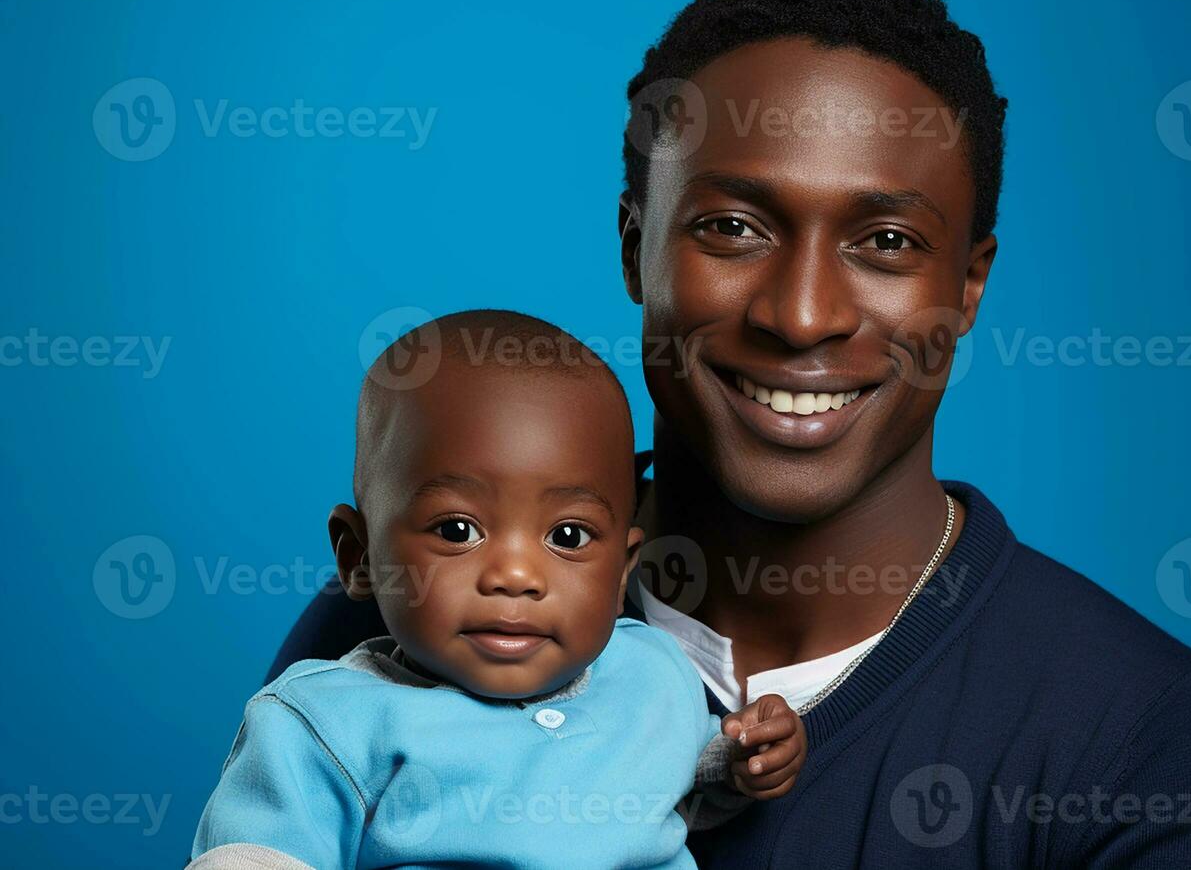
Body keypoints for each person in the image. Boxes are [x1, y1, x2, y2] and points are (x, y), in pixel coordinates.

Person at [274, 0, 1191, 867]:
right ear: (634, 243)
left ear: (969, 287)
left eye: (888, 243)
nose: (803, 313)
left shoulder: (1154, 751)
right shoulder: (400, 624)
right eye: (732, 226)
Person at [192, 311, 806, 869]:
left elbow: (675, 788)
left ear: (622, 571)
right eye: (458, 531)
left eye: (567, 536)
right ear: (359, 558)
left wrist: (742, 761)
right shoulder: (326, 724)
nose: (516, 576)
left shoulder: (651, 672)